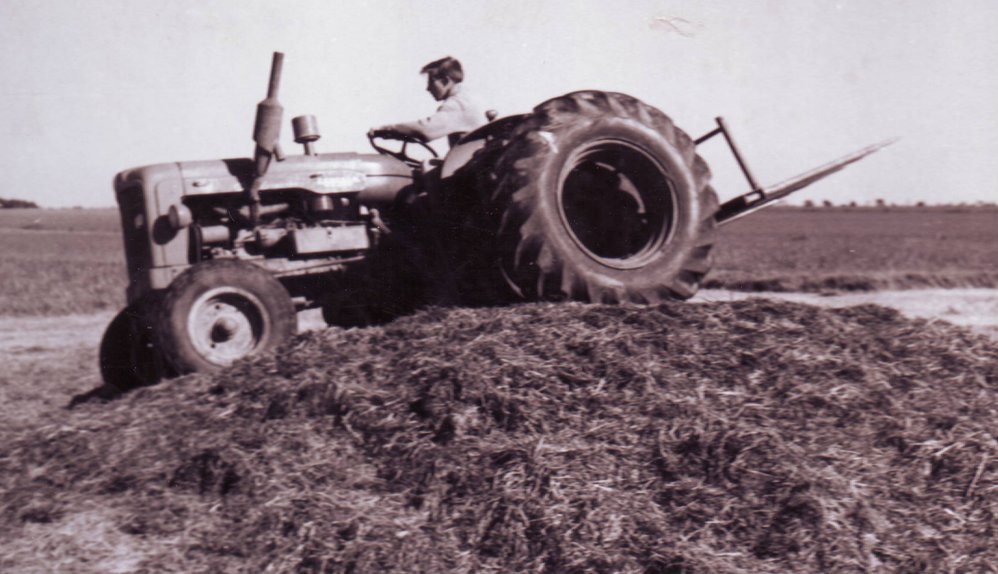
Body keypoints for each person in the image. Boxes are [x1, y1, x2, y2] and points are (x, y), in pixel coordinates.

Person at [369, 56, 489, 147]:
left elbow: (425, 131)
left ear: (445, 81)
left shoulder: (457, 104)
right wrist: (391, 135)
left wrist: (387, 129)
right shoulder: (470, 97)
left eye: (431, 82)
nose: (428, 88)